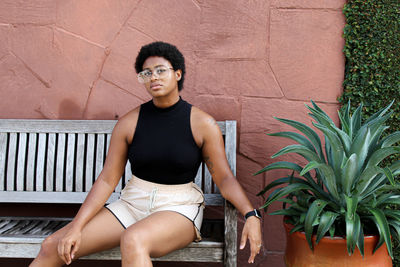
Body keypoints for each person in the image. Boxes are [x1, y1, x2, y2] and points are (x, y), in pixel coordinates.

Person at [29, 41, 262, 267]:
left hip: (178, 207)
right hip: (132, 203)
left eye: (161, 70)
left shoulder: (202, 124)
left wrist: (250, 214)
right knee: (52, 245)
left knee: (134, 239)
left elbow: (224, 178)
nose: (154, 77)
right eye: (146, 73)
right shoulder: (129, 123)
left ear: (178, 74)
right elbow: (107, 179)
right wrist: (76, 227)